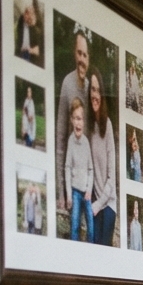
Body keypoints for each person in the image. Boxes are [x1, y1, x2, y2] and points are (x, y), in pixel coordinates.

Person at [55, 31, 89, 206]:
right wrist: (61, 192)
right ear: (74, 53)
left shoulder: (92, 88)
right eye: (79, 53)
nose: (82, 59)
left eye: (85, 54)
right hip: (71, 186)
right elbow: (60, 140)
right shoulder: (67, 83)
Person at [87, 72, 117, 246]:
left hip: (107, 205)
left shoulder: (108, 126)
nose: (95, 95)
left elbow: (111, 179)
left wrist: (97, 205)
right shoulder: (89, 128)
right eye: (92, 90)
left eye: (98, 90)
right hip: (94, 205)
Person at [63, 97, 93, 242]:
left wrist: (89, 189)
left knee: (90, 226)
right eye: (75, 118)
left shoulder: (86, 142)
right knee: (74, 224)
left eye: (80, 119)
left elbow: (91, 169)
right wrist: (69, 195)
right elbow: (67, 168)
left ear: (84, 121)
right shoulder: (70, 141)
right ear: (71, 120)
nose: (78, 122)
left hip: (86, 192)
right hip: (75, 191)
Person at [15, 0, 41, 64]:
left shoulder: (36, 26)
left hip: (30, 55)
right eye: (26, 12)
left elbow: (39, 49)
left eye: (31, 13)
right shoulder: (21, 21)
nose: (28, 15)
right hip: (20, 53)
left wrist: (30, 50)